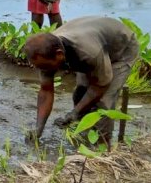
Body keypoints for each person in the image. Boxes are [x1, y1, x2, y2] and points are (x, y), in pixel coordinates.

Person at [23, 16, 137, 147]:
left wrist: (75, 112)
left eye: (44, 67)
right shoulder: (44, 55)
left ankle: (102, 146)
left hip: (121, 50)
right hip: (94, 41)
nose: (41, 70)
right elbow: (46, 91)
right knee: (80, 93)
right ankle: (85, 136)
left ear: (59, 55)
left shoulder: (88, 53)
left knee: (103, 102)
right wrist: (39, 129)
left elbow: (101, 85)